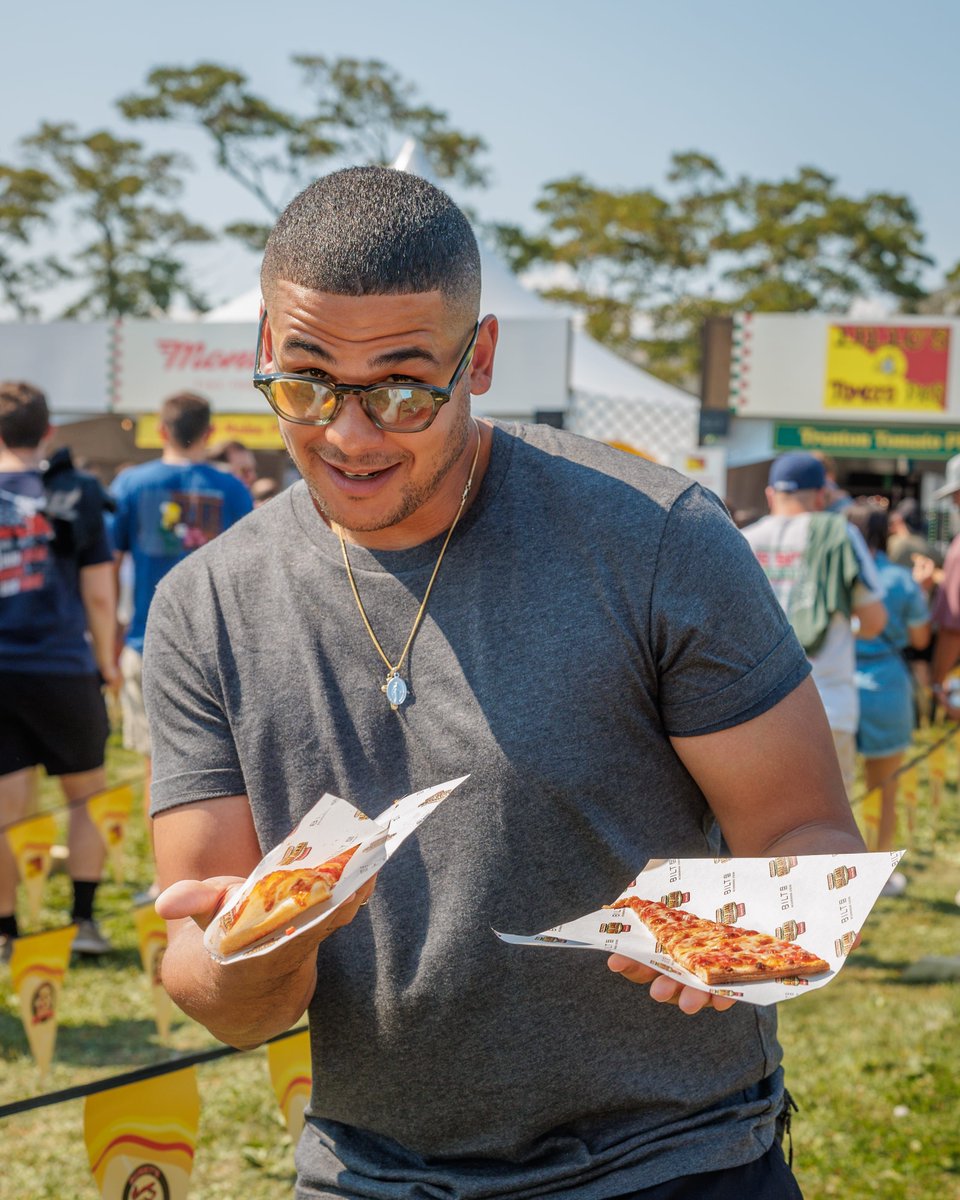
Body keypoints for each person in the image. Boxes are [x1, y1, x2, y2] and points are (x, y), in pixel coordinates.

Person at [148, 166, 867, 1200]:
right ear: (264, 344)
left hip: (672, 1161)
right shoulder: (205, 605)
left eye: (403, 388)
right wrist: (249, 951)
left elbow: (807, 832)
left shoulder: (654, 539)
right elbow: (221, 991)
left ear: (479, 357)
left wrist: (755, 930)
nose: (350, 433)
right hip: (374, 1170)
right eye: (306, 381)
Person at [109, 393, 252, 902]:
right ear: (209, 433)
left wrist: (111, 638)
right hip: (222, 644)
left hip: (148, 638)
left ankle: (165, 878)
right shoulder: (231, 488)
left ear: (162, 430)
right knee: (230, 768)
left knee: (159, 770)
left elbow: (108, 567)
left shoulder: (130, 484)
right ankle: (225, 872)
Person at [0, 381, 119, 960]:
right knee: (86, 797)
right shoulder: (77, 489)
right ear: (48, 430)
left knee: (3, 810)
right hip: (62, 666)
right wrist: (107, 663)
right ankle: (84, 921)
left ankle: (5, 933)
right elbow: (99, 593)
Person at [741, 453, 887, 800]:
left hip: (753, 712)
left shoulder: (742, 539)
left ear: (770, 494)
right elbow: (874, 621)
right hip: (827, 704)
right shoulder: (840, 534)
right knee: (829, 822)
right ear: (822, 495)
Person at [845, 503, 930, 894]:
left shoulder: (836, 575)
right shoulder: (899, 578)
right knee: (884, 788)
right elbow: (920, 638)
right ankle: (878, 875)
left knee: (834, 792)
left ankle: (837, 872)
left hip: (836, 686)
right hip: (887, 686)